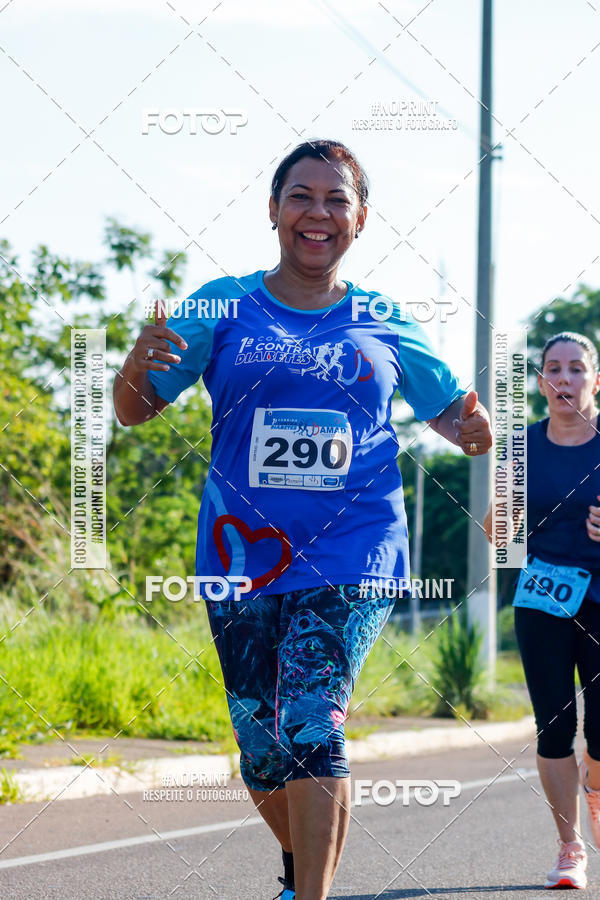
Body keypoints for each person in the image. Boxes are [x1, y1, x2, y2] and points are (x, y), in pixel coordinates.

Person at [114, 139, 492, 900]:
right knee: (260, 745)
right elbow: (134, 412)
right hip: (239, 556)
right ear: (274, 210)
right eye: (301, 196)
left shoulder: (383, 318)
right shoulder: (221, 305)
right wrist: (133, 361)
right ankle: (300, 872)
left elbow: (453, 415)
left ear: (360, 221)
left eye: (335, 200)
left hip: (355, 550)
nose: (317, 213)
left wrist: (475, 432)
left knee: (313, 721)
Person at [484, 332, 600, 890]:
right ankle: (570, 847)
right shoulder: (520, 447)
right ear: (540, 383)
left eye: (576, 369)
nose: (563, 379)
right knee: (555, 728)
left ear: (594, 380)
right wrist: (507, 514)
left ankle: (595, 795)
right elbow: (494, 533)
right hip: (542, 602)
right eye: (553, 368)